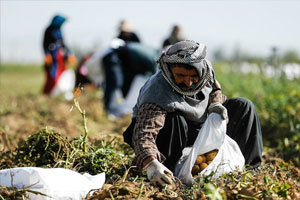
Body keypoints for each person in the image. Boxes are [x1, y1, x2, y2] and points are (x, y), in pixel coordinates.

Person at [123, 40, 263, 185]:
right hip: (169, 131)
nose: (188, 83)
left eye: (193, 76)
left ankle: (250, 170)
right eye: (181, 76)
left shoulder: (206, 71)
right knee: (175, 119)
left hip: (197, 125)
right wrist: (150, 163)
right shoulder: (157, 91)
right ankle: (168, 173)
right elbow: (144, 135)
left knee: (244, 106)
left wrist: (216, 104)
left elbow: (215, 88)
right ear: (170, 70)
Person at [102, 39, 159, 118]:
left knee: (123, 83)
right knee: (115, 82)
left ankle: (113, 109)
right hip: (114, 56)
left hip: (123, 58)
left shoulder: (154, 52)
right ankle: (107, 110)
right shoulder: (155, 60)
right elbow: (155, 80)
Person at [42, 14, 76, 95]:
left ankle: (61, 90)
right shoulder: (48, 30)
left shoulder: (59, 31)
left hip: (60, 57)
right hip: (52, 56)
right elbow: (44, 44)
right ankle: (49, 92)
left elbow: (63, 44)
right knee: (52, 73)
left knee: (63, 73)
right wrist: (47, 54)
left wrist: (69, 53)